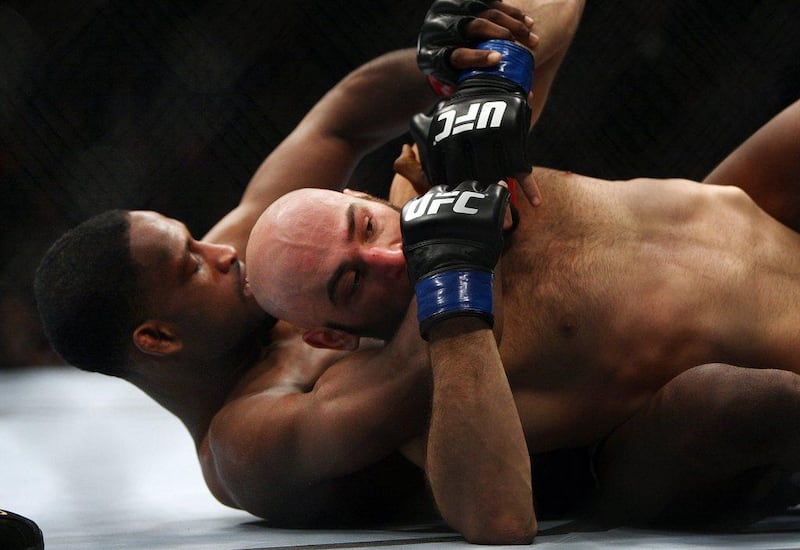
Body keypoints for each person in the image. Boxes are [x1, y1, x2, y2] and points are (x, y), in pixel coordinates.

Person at [33, 0, 584, 543]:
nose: (224, 252)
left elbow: (343, 119)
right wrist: (445, 197)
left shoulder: (239, 260)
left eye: (195, 238)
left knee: (497, 52)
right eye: (191, 265)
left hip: (565, 307)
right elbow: (418, 372)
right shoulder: (245, 445)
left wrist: (442, 67)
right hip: (580, 443)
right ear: (157, 338)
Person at [246, 84, 800, 543]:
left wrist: (482, 70)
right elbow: (501, 521)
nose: (389, 257)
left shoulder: (443, 163)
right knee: (745, 400)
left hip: (761, 216)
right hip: (775, 355)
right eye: (353, 281)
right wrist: (457, 290)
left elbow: (547, 14)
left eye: (365, 228)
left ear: (361, 196)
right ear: (330, 337)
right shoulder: (424, 386)